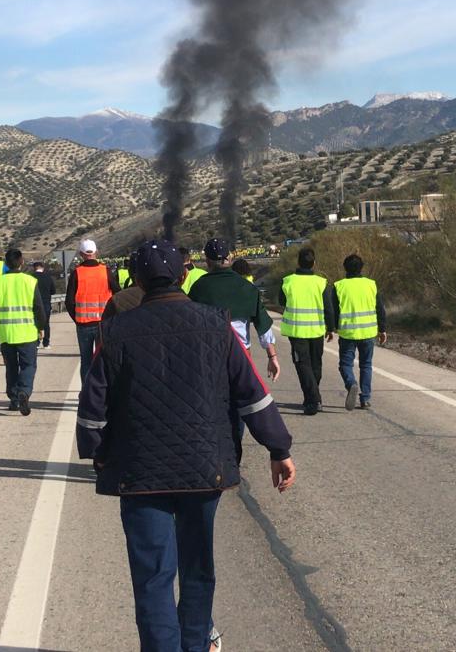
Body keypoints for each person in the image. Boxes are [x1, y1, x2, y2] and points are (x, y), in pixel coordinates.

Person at [77, 238, 295, 652]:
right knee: (197, 570)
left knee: (153, 575)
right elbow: (251, 392)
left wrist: (98, 453)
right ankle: (196, 645)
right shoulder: (216, 324)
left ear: (136, 279)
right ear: (183, 275)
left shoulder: (117, 331)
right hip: (202, 468)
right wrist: (278, 448)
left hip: (140, 473)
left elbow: (94, 406)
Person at [188, 239, 278, 380]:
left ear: (208, 261)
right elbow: (263, 326)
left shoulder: (198, 288)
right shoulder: (248, 288)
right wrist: (272, 357)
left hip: (210, 357)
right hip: (242, 357)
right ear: (229, 258)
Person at [0, 247, 46, 415]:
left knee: (11, 367)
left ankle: (14, 399)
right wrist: (41, 327)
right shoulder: (30, 281)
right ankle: (24, 391)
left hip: (6, 334)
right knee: (28, 365)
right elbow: (38, 308)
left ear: (6, 264)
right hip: (27, 333)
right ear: (22, 262)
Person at [278, 248, 334, 416]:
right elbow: (328, 308)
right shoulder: (321, 282)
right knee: (316, 365)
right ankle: (312, 397)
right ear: (314, 263)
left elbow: (281, 301)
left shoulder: (288, 281)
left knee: (303, 365)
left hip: (297, 331)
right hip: (316, 330)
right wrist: (330, 328)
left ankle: (313, 399)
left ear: (298, 262)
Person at [331, 253, 386, 411]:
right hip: (368, 332)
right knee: (366, 365)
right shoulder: (371, 285)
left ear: (345, 268)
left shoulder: (339, 286)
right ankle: (365, 398)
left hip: (348, 333)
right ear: (361, 268)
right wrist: (382, 329)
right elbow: (380, 309)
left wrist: (332, 328)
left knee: (345, 364)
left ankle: (351, 384)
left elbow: (335, 310)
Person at [65, 238, 119, 373]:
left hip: (84, 325)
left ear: (81, 254)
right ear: (96, 252)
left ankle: (86, 392)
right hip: (104, 323)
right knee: (104, 359)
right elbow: (118, 294)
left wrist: (77, 318)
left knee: (86, 360)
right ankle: (103, 391)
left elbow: (69, 301)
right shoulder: (105, 271)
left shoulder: (77, 273)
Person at [32, 260, 56, 348]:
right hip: (46, 303)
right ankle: (46, 343)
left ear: (34, 268)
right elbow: (53, 291)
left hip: (34, 303)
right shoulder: (48, 277)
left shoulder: (31, 277)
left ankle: (36, 342)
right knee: (46, 323)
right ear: (43, 268)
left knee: (35, 323)